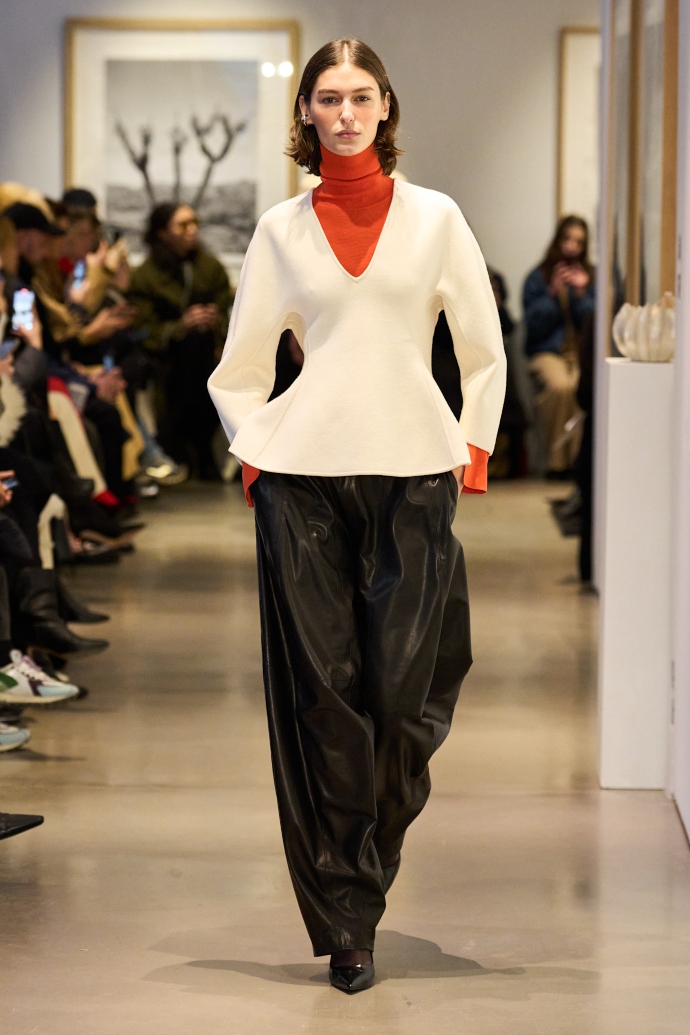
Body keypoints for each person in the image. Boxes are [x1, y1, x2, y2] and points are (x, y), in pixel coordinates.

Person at [208, 38, 506, 993]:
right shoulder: (279, 231)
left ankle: (362, 863)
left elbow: (482, 346)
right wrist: (255, 452)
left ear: (386, 107)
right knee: (323, 698)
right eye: (328, 98)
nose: (344, 114)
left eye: (360, 97)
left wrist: (473, 444)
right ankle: (349, 915)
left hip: (414, 472)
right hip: (302, 480)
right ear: (305, 111)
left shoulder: (436, 219)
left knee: (406, 697)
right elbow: (240, 366)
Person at [128, 203, 232, 480]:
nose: (192, 230)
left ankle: (196, 447)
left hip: (210, 355)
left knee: (201, 350)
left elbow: (231, 308)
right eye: (183, 225)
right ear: (162, 233)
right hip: (166, 360)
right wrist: (181, 326)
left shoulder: (209, 267)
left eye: (194, 222)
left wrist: (214, 319)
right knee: (192, 353)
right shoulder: (147, 275)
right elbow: (143, 329)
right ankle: (190, 447)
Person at [523, 215, 595, 476]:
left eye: (579, 242)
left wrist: (582, 294)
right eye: (567, 239)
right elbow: (533, 325)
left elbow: (594, 322)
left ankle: (578, 464)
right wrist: (552, 294)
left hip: (580, 354)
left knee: (582, 388)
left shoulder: (591, 277)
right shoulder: (537, 277)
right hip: (547, 351)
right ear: (557, 240)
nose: (572, 247)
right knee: (560, 387)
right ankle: (558, 462)